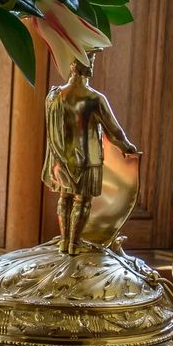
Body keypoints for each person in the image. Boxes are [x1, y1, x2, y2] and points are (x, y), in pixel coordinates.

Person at [43, 52, 139, 253]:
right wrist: (126, 147)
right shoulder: (94, 98)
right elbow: (114, 130)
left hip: (62, 160)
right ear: (79, 66)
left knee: (65, 198)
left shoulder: (54, 96)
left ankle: (64, 240)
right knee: (83, 201)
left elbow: (52, 132)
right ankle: (73, 243)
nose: (92, 65)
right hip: (88, 158)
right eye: (90, 62)